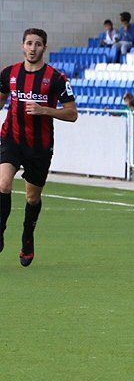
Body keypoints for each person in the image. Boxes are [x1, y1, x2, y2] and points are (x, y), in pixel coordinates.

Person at [0, 28, 78, 265]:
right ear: (22, 45)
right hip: (11, 139)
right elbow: (1, 99)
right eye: (29, 43)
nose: (33, 48)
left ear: (44, 47)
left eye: (38, 44)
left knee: (32, 198)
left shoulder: (56, 79)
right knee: (3, 182)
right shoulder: (9, 73)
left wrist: (45, 110)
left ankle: (27, 236)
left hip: (40, 147)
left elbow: (72, 114)